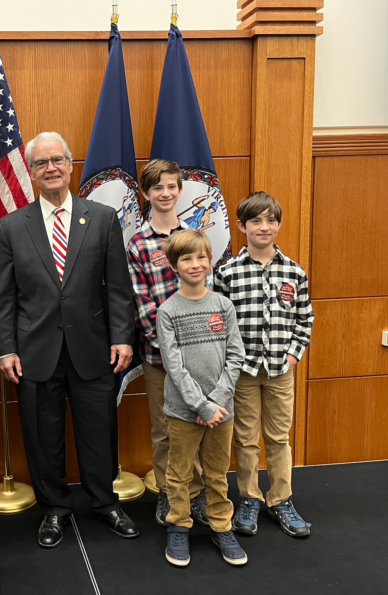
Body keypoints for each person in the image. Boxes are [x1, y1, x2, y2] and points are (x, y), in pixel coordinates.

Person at [0, 131, 138, 548]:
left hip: (94, 348)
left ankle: (105, 503)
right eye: (42, 163)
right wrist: (5, 348)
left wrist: (123, 337)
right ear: (31, 171)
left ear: (70, 165)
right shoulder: (11, 226)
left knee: (99, 430)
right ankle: (54, 508)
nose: (51, 168)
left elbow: (119, 288)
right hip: (35, 350)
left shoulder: (104, 218)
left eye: (57, 160)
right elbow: (3, 295)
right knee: (42, 435)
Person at [214, 191, 315, 538]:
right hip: (243, 372)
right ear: (242, 226)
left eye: (271, 220)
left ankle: (281, 499)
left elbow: (305, 318)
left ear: (279, 225)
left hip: (279, 371)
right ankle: (250, 497)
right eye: (256, 220)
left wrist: (292, 354)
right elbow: (220, 324)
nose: (264, 226)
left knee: (278, 437)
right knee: (245, 438)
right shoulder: (227, 273)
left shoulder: (294, 272)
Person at [126, 160, 210, 528]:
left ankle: (199, 492)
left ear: (180, 190)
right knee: (165, 429)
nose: (165, 193)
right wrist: (169, 351)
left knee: (199, 424)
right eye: (157, 188)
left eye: (172, 187)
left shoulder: (194, 238)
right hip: (159, 356)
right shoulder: (138, 243)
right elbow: (141, 304)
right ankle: (168, 493)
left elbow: (209, 295)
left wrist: (197, 348)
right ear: (145, 194)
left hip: (199, 354)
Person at [157, 230, 247, 567]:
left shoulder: (223, 305)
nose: (195, 264)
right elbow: (174, 365)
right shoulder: (168, 310)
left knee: (217, 472)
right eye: (186, 259)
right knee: (179, 473)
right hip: (184, 412)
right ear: (174, 266)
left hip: (223, 411)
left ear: (210, 262)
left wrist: (216, 402)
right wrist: (201, 405)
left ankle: (222, 525)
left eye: (200, 257)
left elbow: (235, 356)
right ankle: (179, 524)